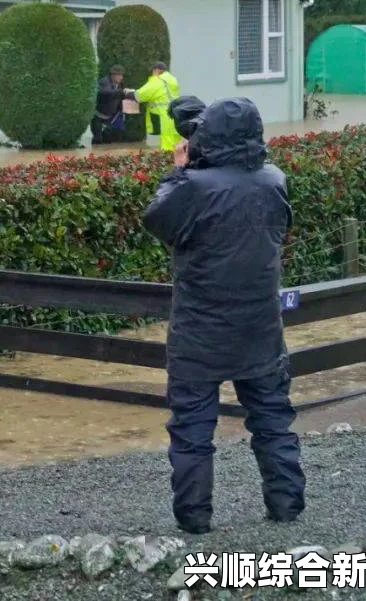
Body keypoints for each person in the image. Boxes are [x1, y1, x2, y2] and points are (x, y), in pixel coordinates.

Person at [141, 97, 305, 535]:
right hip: (260, 327)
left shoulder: (193, 186)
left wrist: (181, 169)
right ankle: (286, 506)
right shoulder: (274, 181)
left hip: (200, 329)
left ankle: (195, 519)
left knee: (193, 428)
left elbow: (157, 219)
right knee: (272, 417)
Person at [126, 62, 181, 151]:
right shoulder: (171, 80)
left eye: (153, 71)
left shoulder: (157, 81)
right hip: (175, 115)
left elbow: (140, 95)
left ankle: (168, 162)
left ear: (156, 70)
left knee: (167, 147)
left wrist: (128, 92)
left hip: (164, 117)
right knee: (177, 145)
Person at [92, 65, 126, 144]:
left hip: (110, 117)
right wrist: (119, 92)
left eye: (122, 75)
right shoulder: (104, 82)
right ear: (113, 75)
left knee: (108, 139)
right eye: (119, 75)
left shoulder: (120, 84)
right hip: (98, 116)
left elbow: (120, 97)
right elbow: (104, 93)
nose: (121, 78)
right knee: (98, 139)